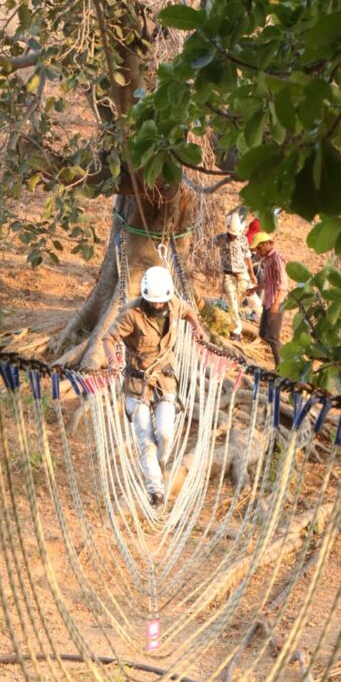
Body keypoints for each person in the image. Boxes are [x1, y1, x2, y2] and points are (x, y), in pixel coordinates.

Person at [102, 266, 206, 507]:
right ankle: (155, 490)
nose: (158, 306)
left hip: (165, 381)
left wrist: (197, 328)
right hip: (137, 385)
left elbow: (189, 311)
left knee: (166, 433)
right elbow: (109, 339)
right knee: (146, 439)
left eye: (162, 302)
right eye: (154, 302)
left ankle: (160, 464)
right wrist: (112, 361)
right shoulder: (131, 314)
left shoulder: (173, 305)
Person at [214, 212, 262, 342]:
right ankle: (236, 330)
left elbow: (247, 257)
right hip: (228, 275)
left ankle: (264, 323)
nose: (232, 237)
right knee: (232, 304)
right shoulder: (220, 238)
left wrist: (252, 274)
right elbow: (209, 245)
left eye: (234, 235)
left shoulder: (243, 239)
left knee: (254, 299)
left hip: (242, 274)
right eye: (230, 234)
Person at [251, 232, 288, 368]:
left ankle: (283, 366)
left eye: (259, 248)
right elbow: (270, 282)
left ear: (267, 244)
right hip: (268, 301)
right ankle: (284, 361)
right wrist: (256, 288)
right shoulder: (267, 259)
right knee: (263, 334)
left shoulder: (277, 258)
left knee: (273, 337)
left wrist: (277, 304)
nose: (258, 251)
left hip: (276, 302)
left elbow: (283, 284)